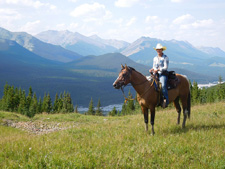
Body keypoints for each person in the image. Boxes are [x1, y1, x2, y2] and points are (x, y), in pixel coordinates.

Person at [149, 43, 169, 108]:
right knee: (149, 83)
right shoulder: (155, 58)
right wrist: (152, 69)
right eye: (157, 50)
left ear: (162, 50)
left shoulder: (165, 57)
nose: (158, 51)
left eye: (159, 49)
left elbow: (165, 67)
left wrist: (158, 70)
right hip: (156, 74)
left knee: (163, 85)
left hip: (163, 74)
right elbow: (154, 66)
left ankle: (166, 100)